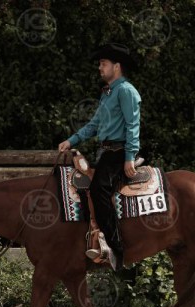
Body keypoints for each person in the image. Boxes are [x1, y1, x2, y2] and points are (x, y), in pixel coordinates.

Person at [58, 43, 141, 270]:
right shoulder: (108, 93)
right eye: (99, 64)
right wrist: (71, 140)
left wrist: (130, 156)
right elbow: (94, 124)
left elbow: (133, 125)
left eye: (103, 64)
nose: (99, 68)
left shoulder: (126, 91)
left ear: (117, 66)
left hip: (119, 152)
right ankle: (93, 237)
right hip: (106, 152)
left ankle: (116, 248)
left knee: (98, 189)